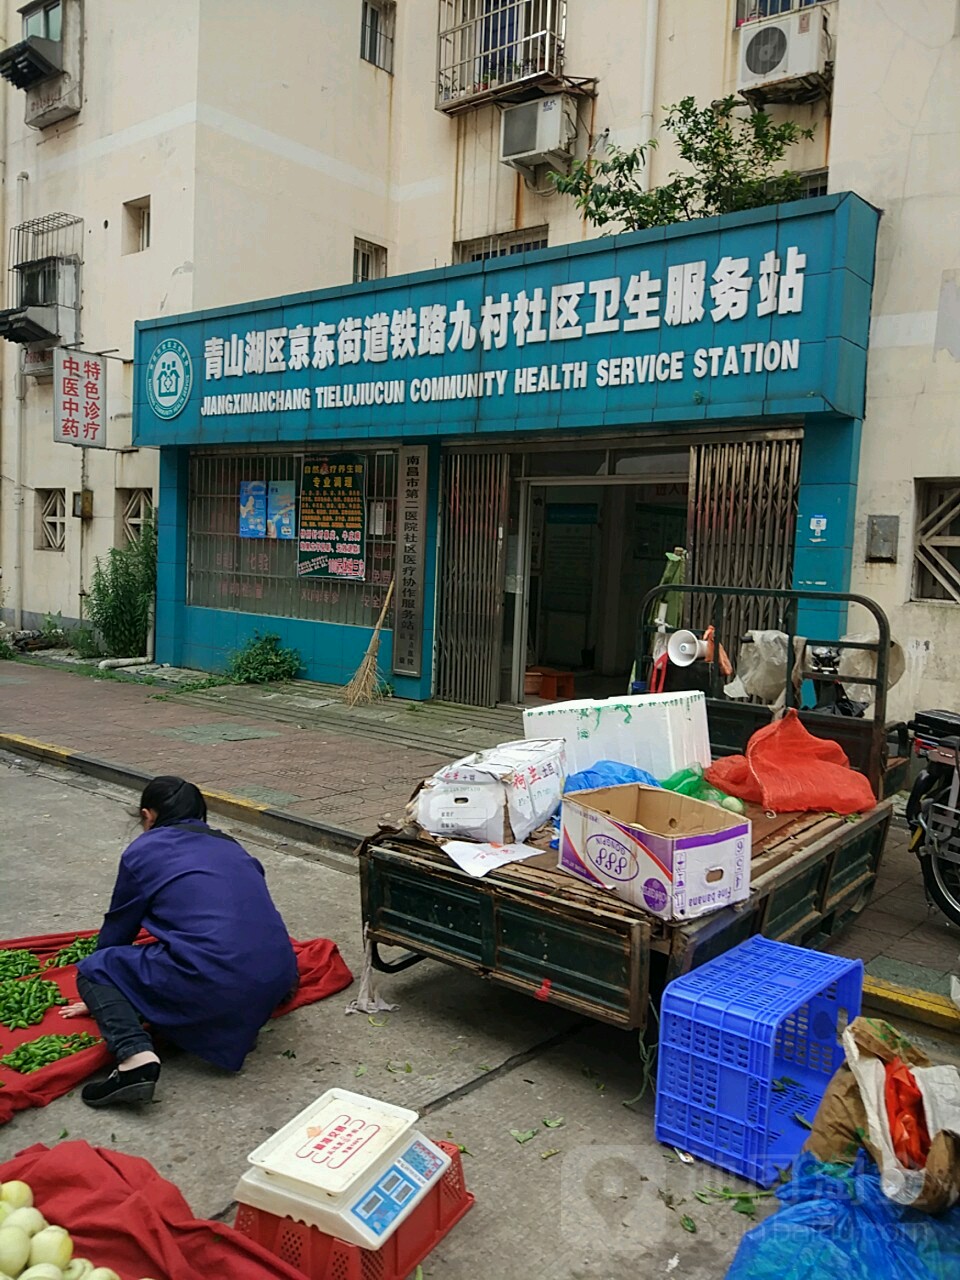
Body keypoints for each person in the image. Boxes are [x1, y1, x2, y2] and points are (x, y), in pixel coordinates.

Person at [60, 776, 298, 1108]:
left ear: (148, 816)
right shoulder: (231, 845)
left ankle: (134, 1059)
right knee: (221, 965)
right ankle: (230, 1019)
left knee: (95, 968)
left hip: (219, 977)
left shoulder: (143, 850)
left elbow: (119, 930)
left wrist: (107, 990)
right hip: (279, 973)